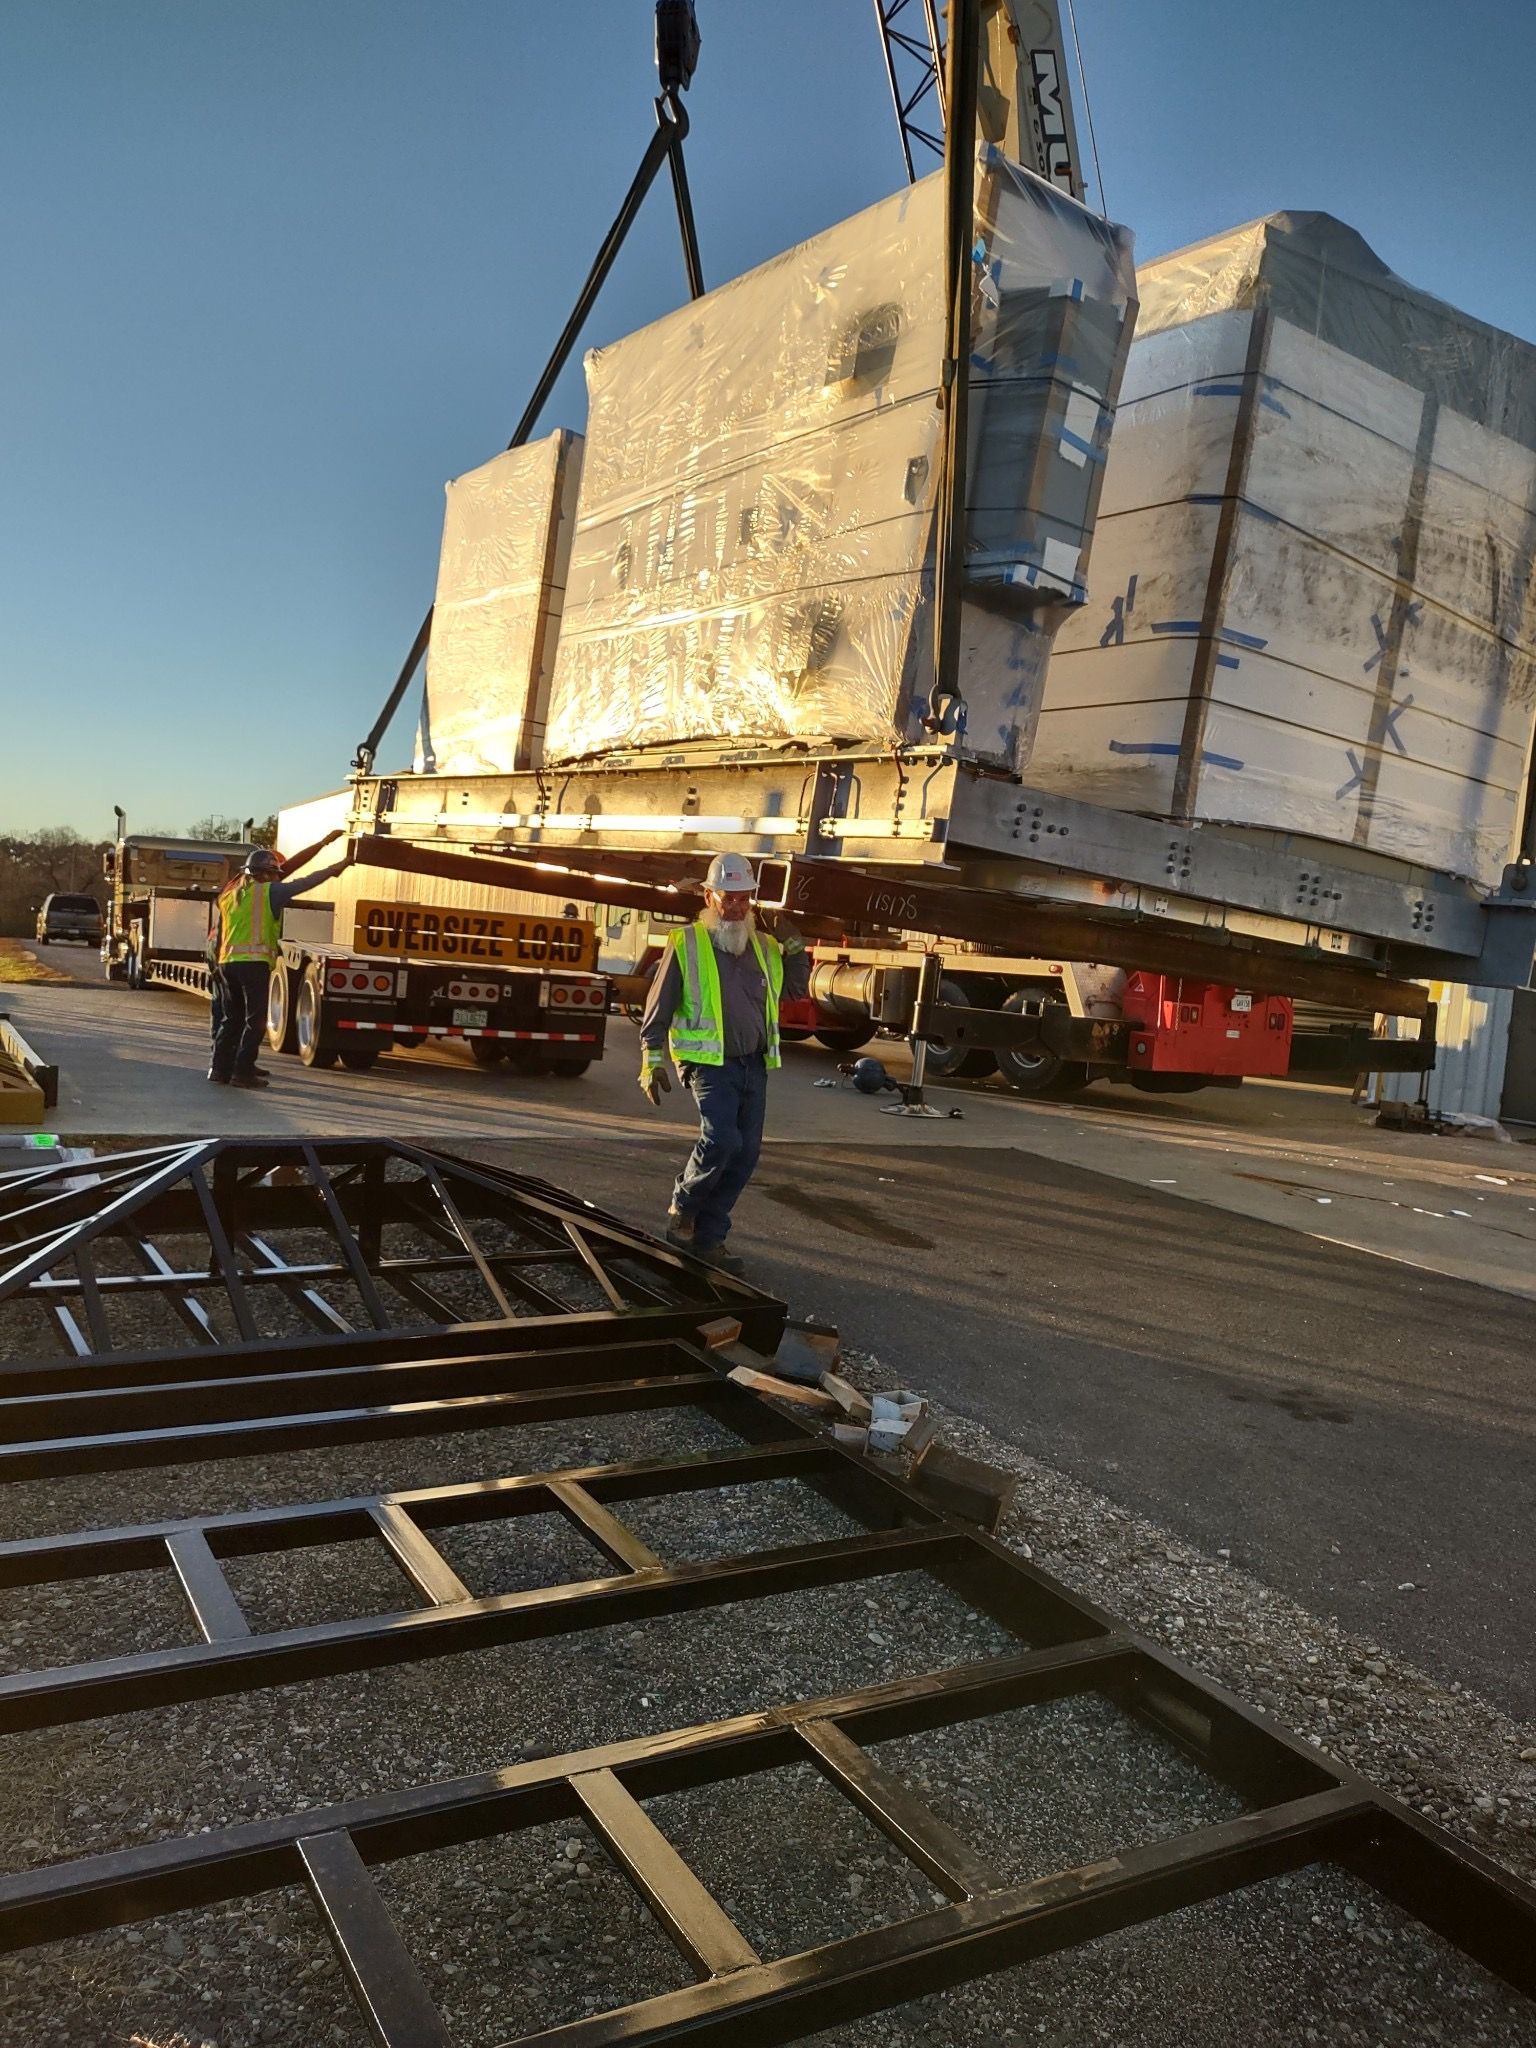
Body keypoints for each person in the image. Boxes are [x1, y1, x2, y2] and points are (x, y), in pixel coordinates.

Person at [638, 852, 809, 1273]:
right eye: (727, 897)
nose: (735, 906)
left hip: (754, 1064)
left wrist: (793, 943)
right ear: (710, 897)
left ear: (751, 900)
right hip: (707, 1064)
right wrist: (651, 1060)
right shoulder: (687, 943)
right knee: (723, 1142)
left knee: (746, 1154)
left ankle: (709, 1239)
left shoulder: (766, 948)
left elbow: (795, 991)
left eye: (743, 898)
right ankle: (683, 1207)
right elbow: (657, 1008)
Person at [209, 833, 352, 1087]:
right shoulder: (270, 893)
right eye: (275, 873)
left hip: (226, 963)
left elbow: (220, 932)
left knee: (231, 1019)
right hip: (253, 965)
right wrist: (334, 869)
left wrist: (321, 844)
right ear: (266, 874)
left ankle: (219, 1070)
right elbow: (305, 882)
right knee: (256, 1021)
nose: (278, 876)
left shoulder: (229, 895)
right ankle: (242, 1073)